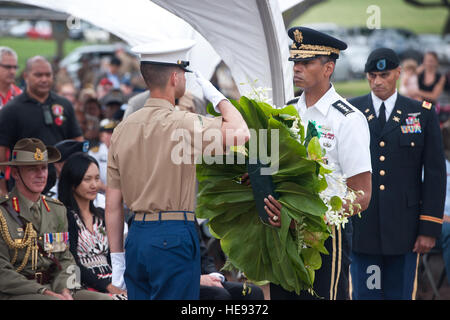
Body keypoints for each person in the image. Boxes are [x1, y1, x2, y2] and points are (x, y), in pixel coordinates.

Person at [105, 39, 250, 300]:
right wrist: (216, 95)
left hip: (136, 234)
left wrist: (117, 260)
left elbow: (113, 204)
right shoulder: (183, 122)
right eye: (183, 72)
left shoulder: (121, 129)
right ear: (175, 77)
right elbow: (241, 133)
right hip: (172, 234)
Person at [265, 26, 373, 300]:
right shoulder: (286, 112)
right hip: (283, 233)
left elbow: (362, 195)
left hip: (326, 236)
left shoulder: (347, 119)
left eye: (306, 62)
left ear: (328, 68)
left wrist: (318, 220)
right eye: (295, 62)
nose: (297, 68)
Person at [348, 48, 446, 300]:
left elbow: (435, 173)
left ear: (398, 73)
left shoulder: (420, 112)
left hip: (405, 230)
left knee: (399, 295)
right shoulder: (352, 111)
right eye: (372, 76)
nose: (377, 81)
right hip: (363, 226)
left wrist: (429, 227)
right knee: (366, 295)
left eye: (384, 74)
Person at [0, 138, 111, 300]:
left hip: (56, 287)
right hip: (20, 292)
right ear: (16, 173)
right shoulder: (3, 212)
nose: (41, 174)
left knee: (106, 299)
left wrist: (65, 288)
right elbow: (2, 270)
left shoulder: (56, 210)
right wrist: (43, 292)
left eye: (44, 168)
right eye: (32, 169)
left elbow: (64, 259)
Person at [0, 56, 83, 195]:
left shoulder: (64, 104)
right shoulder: (11, 109)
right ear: (26, 76)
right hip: (24, 187)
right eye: (38, 75)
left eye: (48, 75)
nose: (44, 79)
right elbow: (1, 153)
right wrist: (2, 188)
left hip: (62, 185)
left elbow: (77, 141)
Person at [58, 152, 126, 298]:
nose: (94, 185)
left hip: (112, 281)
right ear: (73, 181)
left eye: (96, 178)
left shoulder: (101, 215)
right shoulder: (66, 216)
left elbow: (112, 257)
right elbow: (71, 261)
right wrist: (108, 287)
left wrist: (116, 284)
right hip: (81, 284)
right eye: (87, 179)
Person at [197, 221, 265, 300]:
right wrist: (197, 279)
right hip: (184, 282)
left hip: (201, 277)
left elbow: (203, 256)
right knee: (220, 295)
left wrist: (214, 276)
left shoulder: (189, 214)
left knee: (254, 292)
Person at [0, 47, 22, 195]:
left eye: (15, 67)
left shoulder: (21, 96)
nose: (12, 71)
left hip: (16, 170)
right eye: (7, 67)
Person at [89, 119, 118, 193]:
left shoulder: (123, 151)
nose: (112, 135)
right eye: (108, 132)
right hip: (99, 193)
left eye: (114, 132)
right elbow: (90, 175)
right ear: (101, 136)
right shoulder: (95, 153)